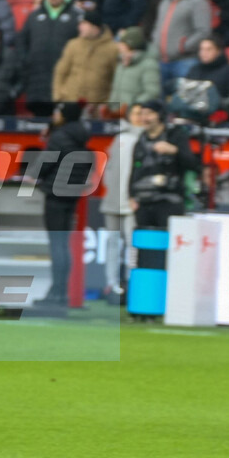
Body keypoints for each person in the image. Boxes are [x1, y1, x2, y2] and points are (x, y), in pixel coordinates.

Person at [35, 101, 91, 313]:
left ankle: (56, 293)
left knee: (56, 245)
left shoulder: (59, 137)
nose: (55, 114)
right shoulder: (81, 136)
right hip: (71, 194)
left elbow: (45, 163)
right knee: (63, 245)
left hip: (55, 194)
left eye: (58, 111)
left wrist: (34, 175)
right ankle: (60, 291)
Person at [129, 99, 197, 228]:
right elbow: (134, 171)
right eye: (142, 114)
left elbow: (192, 164)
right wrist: (131, 196)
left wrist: (174, 150)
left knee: (166, 244)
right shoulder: (140, 141)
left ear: (160, 115)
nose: (144, 118)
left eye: (149, 114)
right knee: (144, 244)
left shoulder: (175, 135)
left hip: (169, 202)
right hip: (143, 203)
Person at [99, 101, 143, 305]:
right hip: (113, 199)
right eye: (135, 112)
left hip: (131, 201)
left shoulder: (144, 138)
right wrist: (109, 187)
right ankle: (111, 285)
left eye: (141, 113)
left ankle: (132, 285)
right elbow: (109, 166)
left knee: (132, 245)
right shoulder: (120, 138)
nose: (139, 116)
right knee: (112, 244)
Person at [17, 0, 80, 117]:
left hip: (66, 80)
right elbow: (22, 41)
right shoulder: (33, 16)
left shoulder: (76, 17)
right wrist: (27, 60)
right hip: (37, 80)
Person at [152, 0, 212, 92]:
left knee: (183, 102)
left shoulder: (197, 1)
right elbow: (157, 26)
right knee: (160, 106)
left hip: (185, 62)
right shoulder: (165, 1)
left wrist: (184, 46)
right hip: (161, 61)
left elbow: (204, 31)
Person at [52, 9, 119, 106]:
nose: (79, 27)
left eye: (84, 24)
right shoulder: (73, 45)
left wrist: (107, 103)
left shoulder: (112, 49)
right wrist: (58, 96)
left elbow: (116, 79)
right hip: (70, 102)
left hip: (97, 106)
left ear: (95, 27)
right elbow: (60, 71)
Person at [184, 36, 229, 122]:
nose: (204, 53)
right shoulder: (194, 70)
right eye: (202, 49)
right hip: (194, 114)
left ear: (218, 51)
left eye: (208, 49)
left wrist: (217, 104)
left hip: (219, 116)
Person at [108, 26, 161, 113]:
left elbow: (152, 92)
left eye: (122, 43)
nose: (118, 46)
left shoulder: (149, 64)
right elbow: (116, 89)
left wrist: (134, 105)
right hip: (116, 114)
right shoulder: (121, 62)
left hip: (134, 115)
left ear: (130, 45)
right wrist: (111, 108)